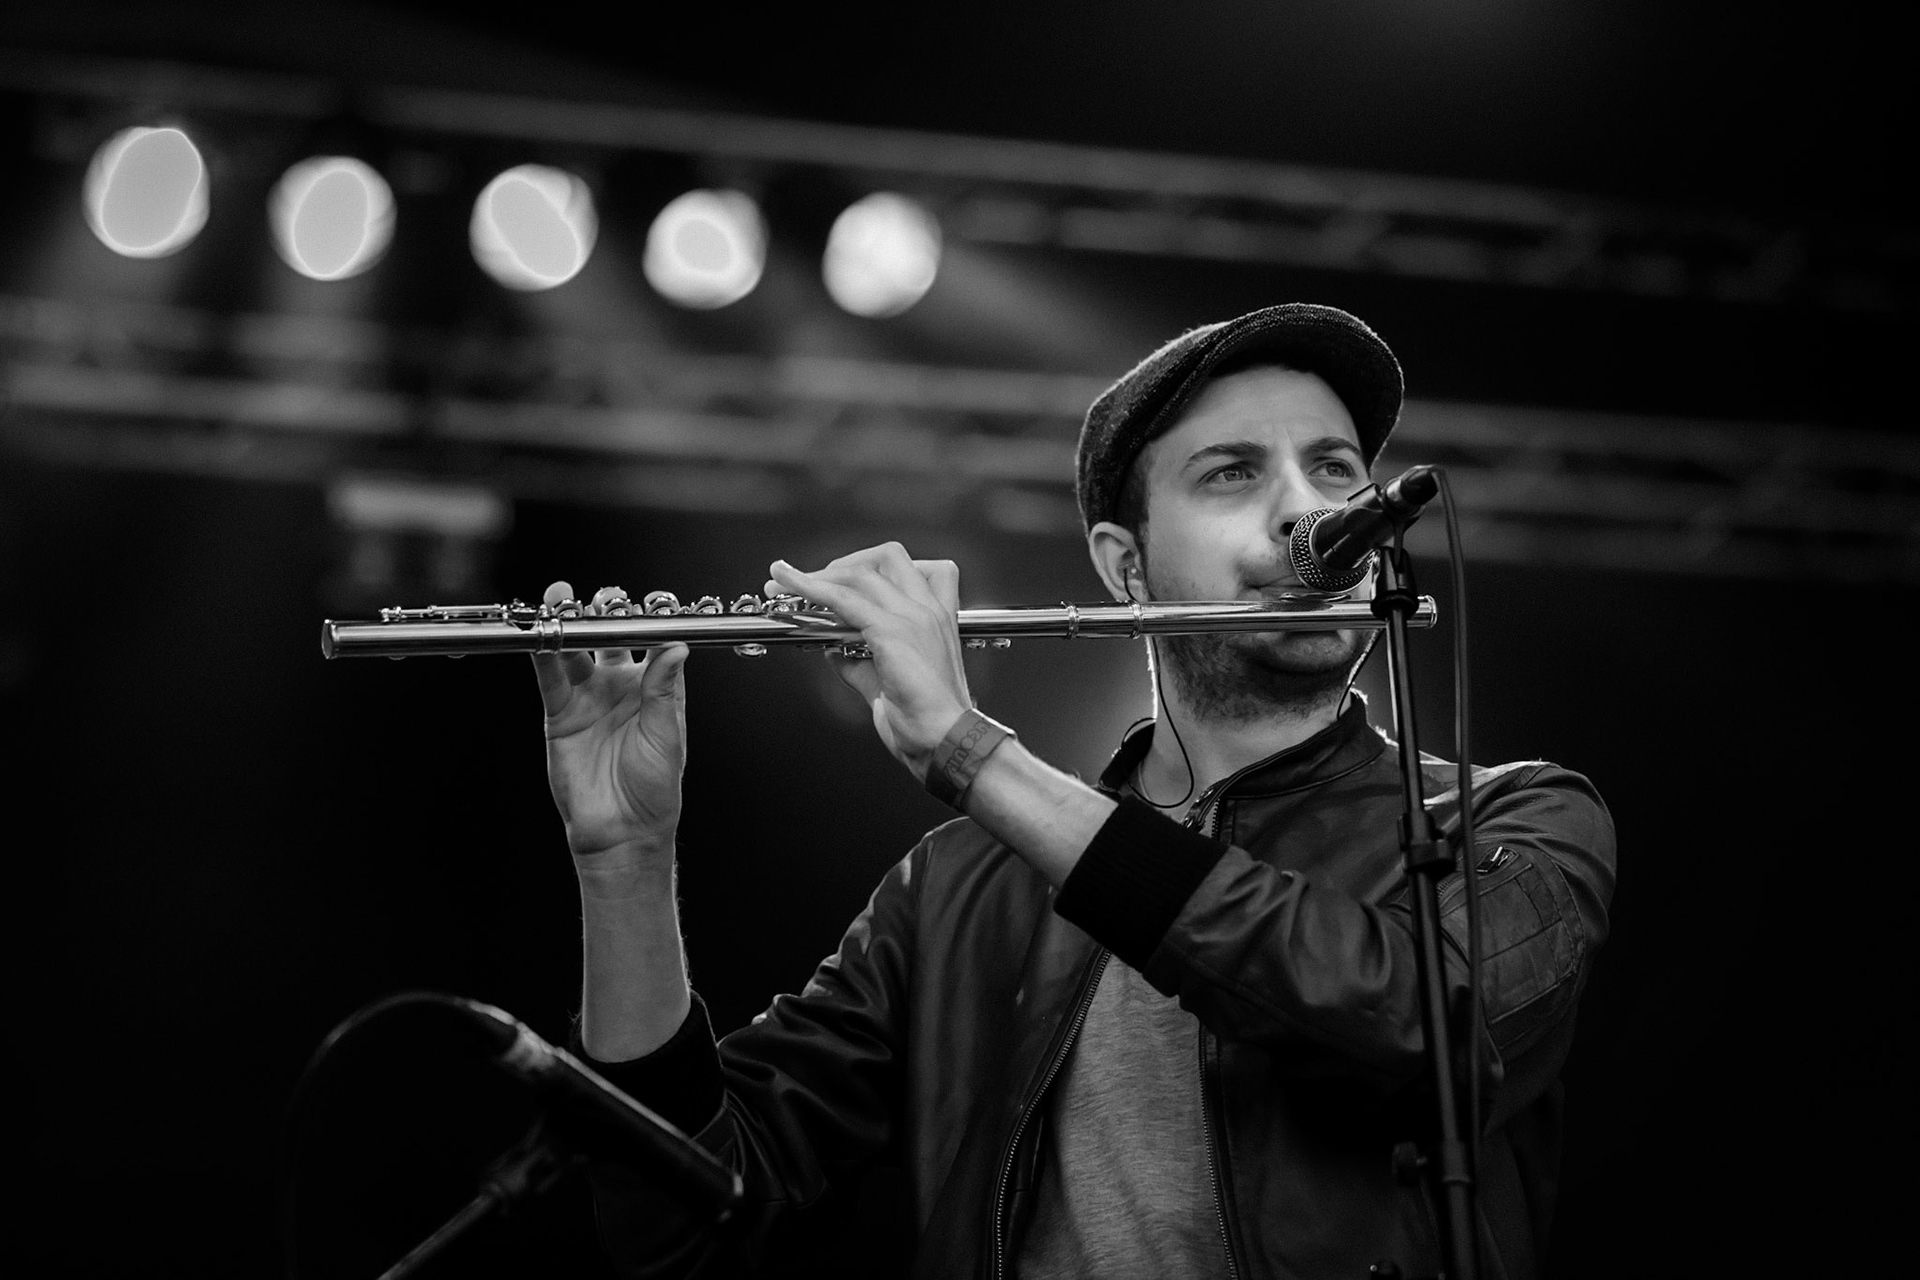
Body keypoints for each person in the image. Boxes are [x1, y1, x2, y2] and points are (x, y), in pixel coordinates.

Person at [533, 303, 1617, 1279]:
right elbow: (686, 1217)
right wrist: (622, 861)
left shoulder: (1516, 817)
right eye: (1233, 471)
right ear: (1125, 565)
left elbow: (1421, 1029)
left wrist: (969, 750)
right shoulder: (959, 887)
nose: (1307, 511)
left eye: (1336, 469)